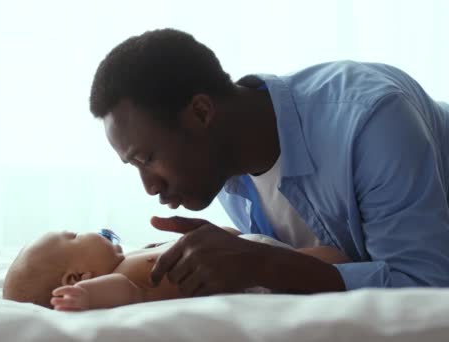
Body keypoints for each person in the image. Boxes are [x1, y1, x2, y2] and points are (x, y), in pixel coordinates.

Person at [88, 28, 449, 296]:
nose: (149, 187)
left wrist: (260, 262)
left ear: (200, 112)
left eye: (146, 158)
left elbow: (425, 289)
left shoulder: (370, 120)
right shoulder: (225, 174)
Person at [2, 225, 350, 311]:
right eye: (74, 234)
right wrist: (85, 297)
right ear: (76, 277)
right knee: (334, 262)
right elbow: (128, 294)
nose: (90, 230)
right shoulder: (120, 277)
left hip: (250, 253)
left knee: (335, 257)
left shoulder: (127, 259)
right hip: (256, 274)